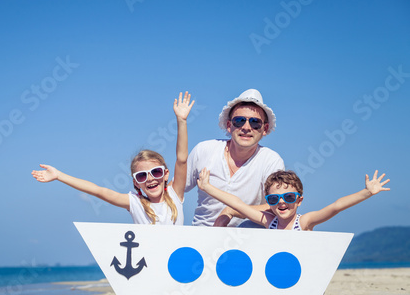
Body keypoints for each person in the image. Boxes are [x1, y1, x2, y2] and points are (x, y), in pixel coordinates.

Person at [31, 92, 195, 225]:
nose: (150, 178)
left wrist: (181, 121)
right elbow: (98, 191)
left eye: (156, 172)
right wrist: (59, 175)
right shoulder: (135, 203)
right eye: (142, 175)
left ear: (166, 174)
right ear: (136, 182)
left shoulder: (175, 193)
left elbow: (181, 159)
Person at [185, 88, 284, 227]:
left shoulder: (271, 161)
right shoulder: (204, 150)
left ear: (265, 129)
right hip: (201, 239)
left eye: (255, 122)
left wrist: (233, 210)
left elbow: (278, 205)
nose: (247, 127)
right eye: (239, 120)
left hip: (247, 242)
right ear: (228, 125)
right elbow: (175, 191)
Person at [197, 169, 390, 230]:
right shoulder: (269, 221)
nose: (282, 202)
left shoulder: (304, 222)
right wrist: (207, 187)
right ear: (269, 201)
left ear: (299, 200)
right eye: (274, 199)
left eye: (289, 197)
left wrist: (366, 193)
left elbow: (335, 207)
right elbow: (236, 203)